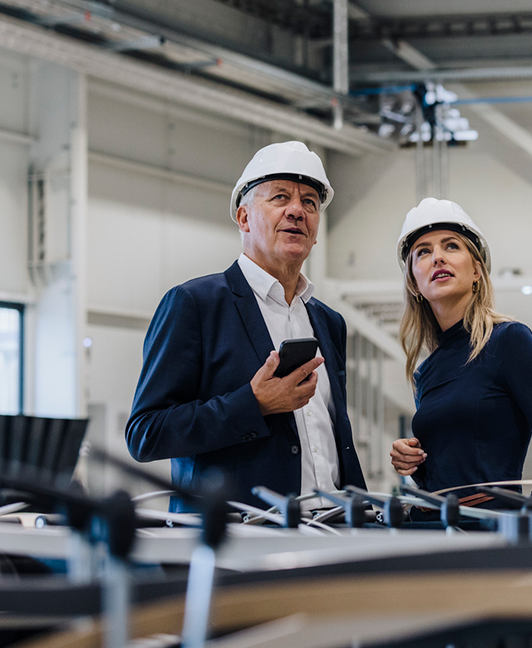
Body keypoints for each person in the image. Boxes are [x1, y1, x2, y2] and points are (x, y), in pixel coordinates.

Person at [126, 141, 364, 510]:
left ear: (317, 232)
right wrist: (252, 404)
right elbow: (146, 434)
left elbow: (335, 436)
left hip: (332, 530)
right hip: (239, 538)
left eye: (310, 203)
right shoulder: (195, 305)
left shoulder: (329, 322)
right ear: (244, 218)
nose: (297, 211)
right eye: (280, 197)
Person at [389, 198, 532, 501]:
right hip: (429, 527)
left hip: (488, 530)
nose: (437, 257)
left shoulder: (509, 341)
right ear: (414, 283)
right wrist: (412, 463)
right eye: (423, 252)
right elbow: (447, 472)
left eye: (451, 246)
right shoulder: (425, 371)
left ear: (477, 270)